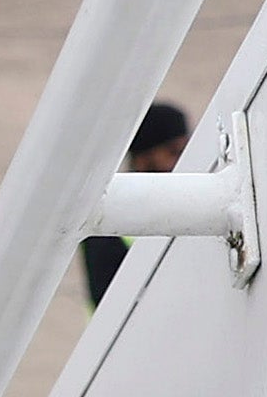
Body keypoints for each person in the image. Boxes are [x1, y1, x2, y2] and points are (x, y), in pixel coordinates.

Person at [80, 99, 190, 306]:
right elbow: (111, 305)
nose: (183, 161)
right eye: (173, 152)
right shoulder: (106, 216)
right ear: (143, 158)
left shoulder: (193, 206)